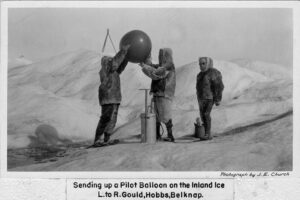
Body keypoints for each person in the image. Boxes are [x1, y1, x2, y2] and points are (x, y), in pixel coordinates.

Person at [93, 45, 130, 146]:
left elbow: (120, 66)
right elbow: (115, 63)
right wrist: (123, 51)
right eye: (109, 61)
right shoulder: (106, 69)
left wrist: (127, 57)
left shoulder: (114, 72)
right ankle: (98, 139)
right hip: (108, 98)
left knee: (112, 119)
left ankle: (106, 139)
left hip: (115, 98)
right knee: (106, 118)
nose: (111, 62)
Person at [139, 48, 176, 142]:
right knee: (157, 116)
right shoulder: (161, 66)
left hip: (164, 93)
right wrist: (147, 57)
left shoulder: (169, 66)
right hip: (157, 93)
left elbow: (156, 74)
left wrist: (145, 67)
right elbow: (151, 66)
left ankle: (170, 135)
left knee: (165, 115)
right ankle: (157, 135)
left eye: (162, 55)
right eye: (159, 55)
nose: (160, 57)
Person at [196, 57, 224, 140]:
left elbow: (218, 86)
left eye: (203, 63)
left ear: (208, 63)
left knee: (206, 114)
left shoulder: (213, 73)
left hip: (210, 98)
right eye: (200, 64)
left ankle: (208, 134)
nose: (201, 66)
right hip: (201, 98)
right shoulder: (199, 75)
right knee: (202, 115)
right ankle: (205, 133)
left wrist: (218, 99)